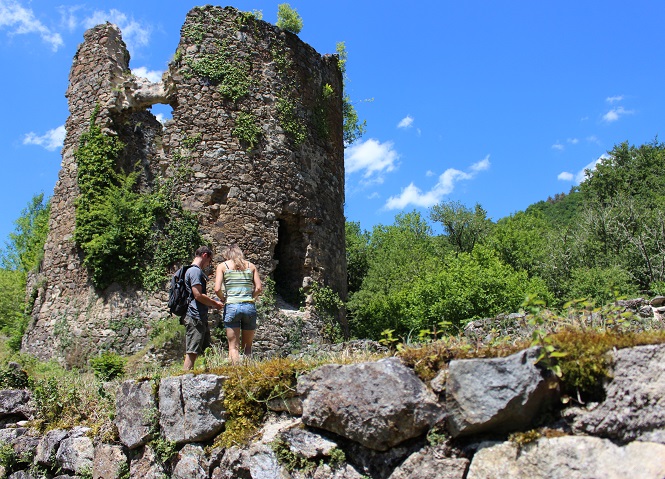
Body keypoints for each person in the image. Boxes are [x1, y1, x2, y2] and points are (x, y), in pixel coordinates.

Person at [214, 243, 263, 364]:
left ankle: (235, 374)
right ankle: (249, 374)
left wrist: (224, 299)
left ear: (227, 255)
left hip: (232, 306)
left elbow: (217, 289)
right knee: (247, 347)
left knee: (233, 347)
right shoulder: (251, 266)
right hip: (249, 306)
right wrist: (250, 297)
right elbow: (259, 288)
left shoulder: (222, 266)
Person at [183, 245, 224, 370]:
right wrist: (214, 303)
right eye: (210, 261)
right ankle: (184, 378)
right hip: (195, 316)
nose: (208, 264)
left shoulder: (189, 270)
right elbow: (198, 295)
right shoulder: (195, 271)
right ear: (205, 255)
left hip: (198, 315)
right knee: (192, 351)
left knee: (206, 349)